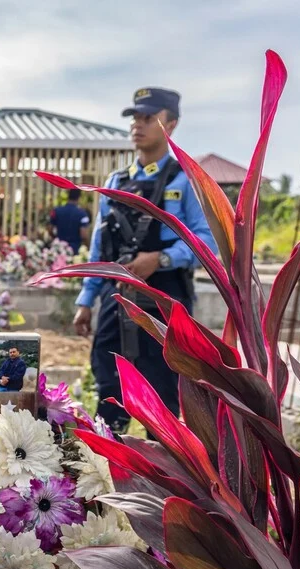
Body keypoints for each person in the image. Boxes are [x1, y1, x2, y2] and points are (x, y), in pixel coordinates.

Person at [72, 87, 217, 432]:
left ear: (172, 124)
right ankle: (109, 457)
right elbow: (99, 245)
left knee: (164, 393)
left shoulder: (186, 180)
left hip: (165, 300)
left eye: (149, 118)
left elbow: (207, 242)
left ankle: (162, 460)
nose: (138, 125)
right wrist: (86, 299)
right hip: (116, 296)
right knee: (109, 386)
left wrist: (162, 259)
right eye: (135, 118)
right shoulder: (116, 181)